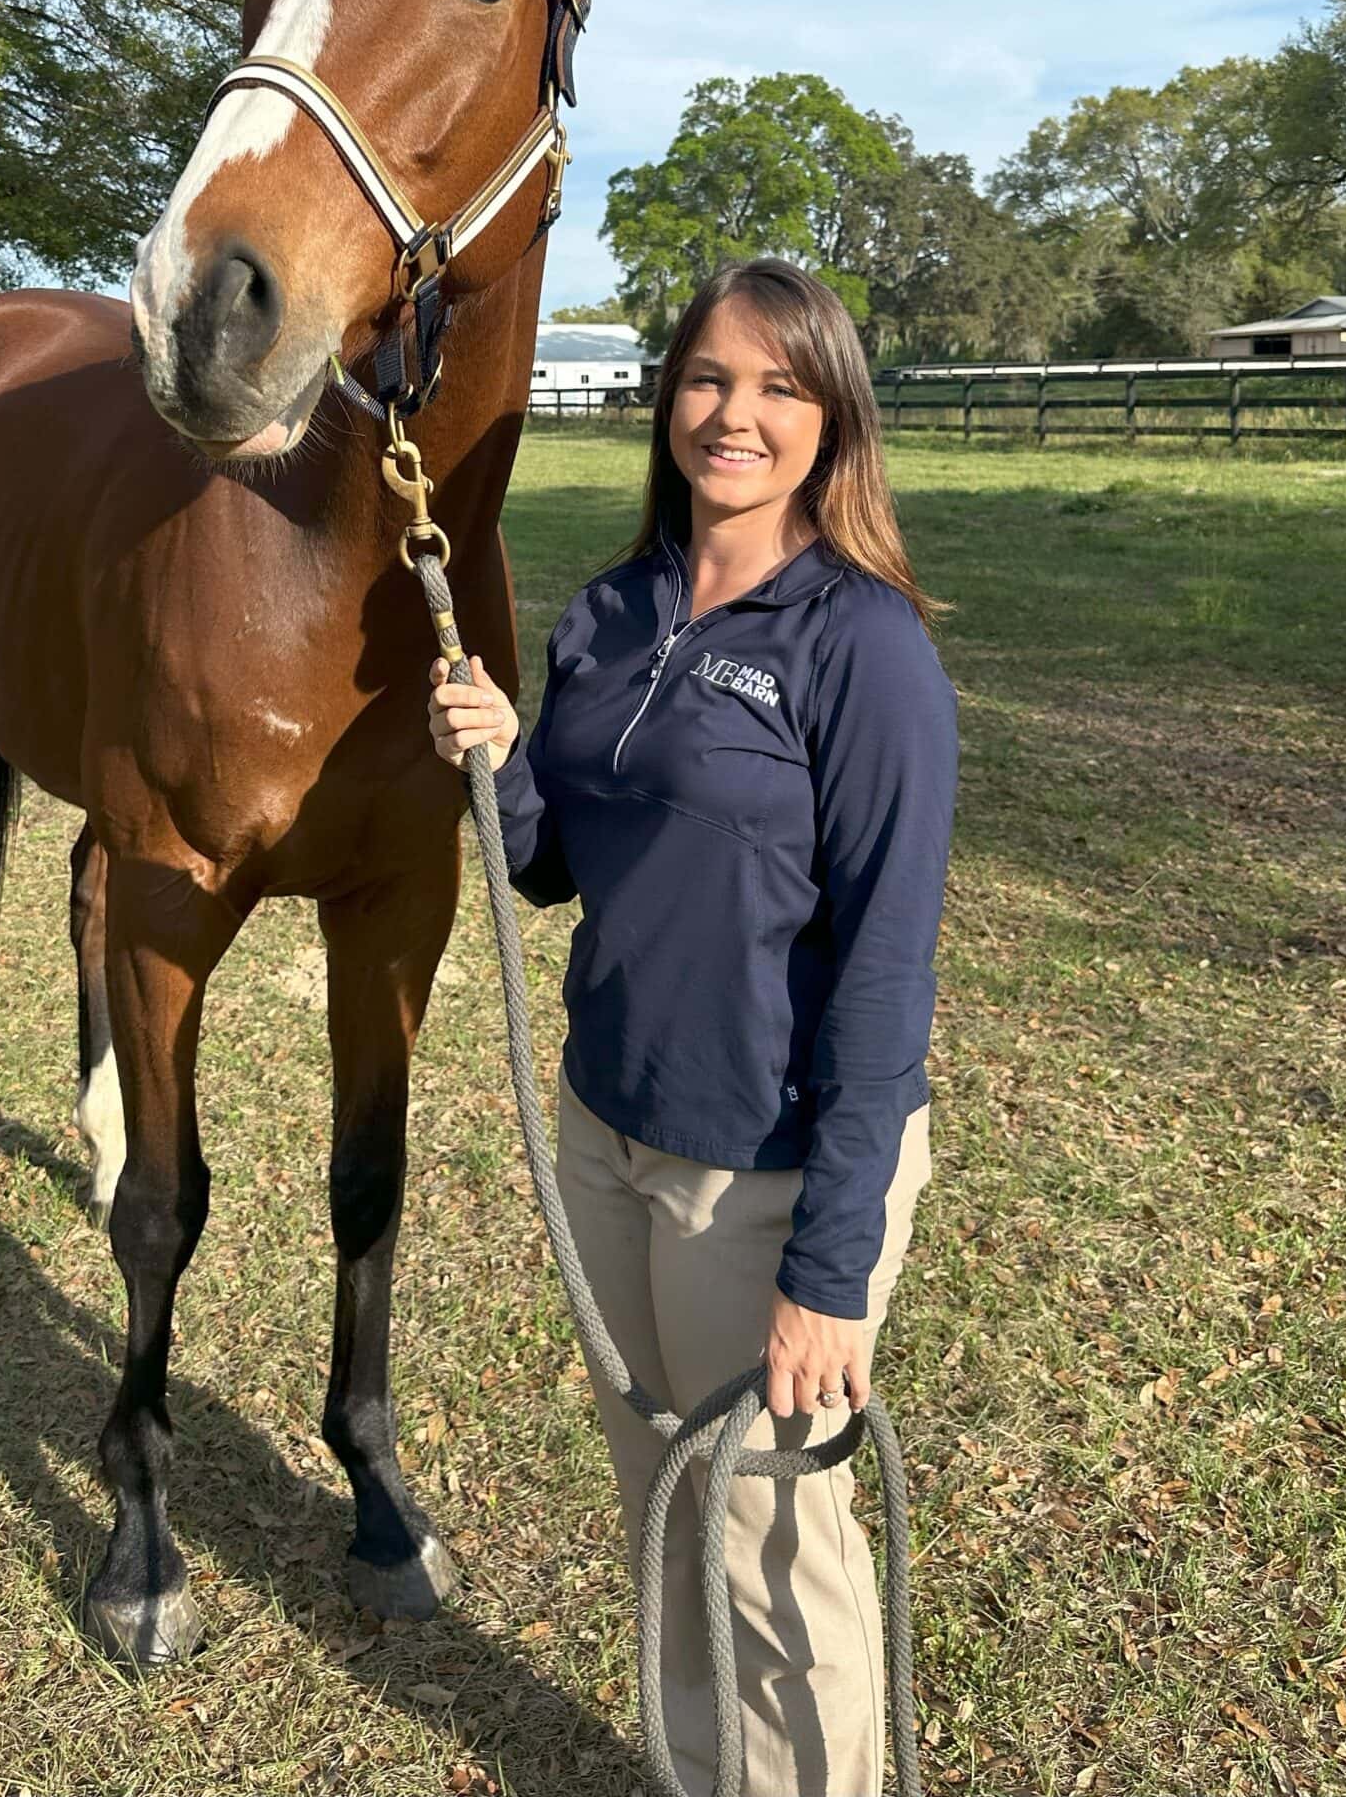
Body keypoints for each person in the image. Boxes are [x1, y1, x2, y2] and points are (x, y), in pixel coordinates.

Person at [428, 257, 957, 1797]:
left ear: (833, 419)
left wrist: (832, 1267)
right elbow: (550, 869)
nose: (737, 414)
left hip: (768, 1175)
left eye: (782, 387)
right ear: (670, 399)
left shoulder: (863, 647)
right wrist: (504, 753)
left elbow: (886, 970)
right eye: (712, 379)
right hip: (607, 1133)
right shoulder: (614, 607)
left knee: (772, 1546)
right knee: (667, 1506)